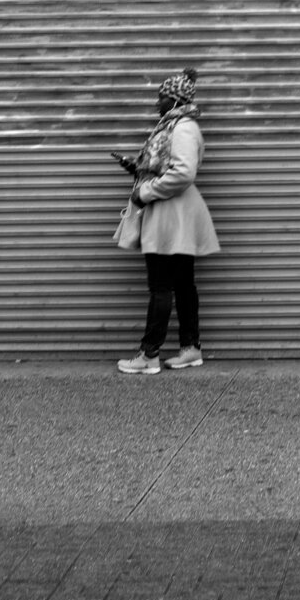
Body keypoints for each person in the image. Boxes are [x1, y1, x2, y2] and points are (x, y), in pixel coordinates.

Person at [115, 68, 220, 375]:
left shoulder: (183, 128)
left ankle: (149, 355)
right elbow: (166, 166)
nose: (156, 102)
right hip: (176, 214)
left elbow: (183, 173)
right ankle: (190, 349)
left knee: (161, 286)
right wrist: (136, 168)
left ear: (175, 99)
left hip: (171, 215)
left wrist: (144, 193)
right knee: (183, 284)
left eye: (161, 96)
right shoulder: (173, 126)